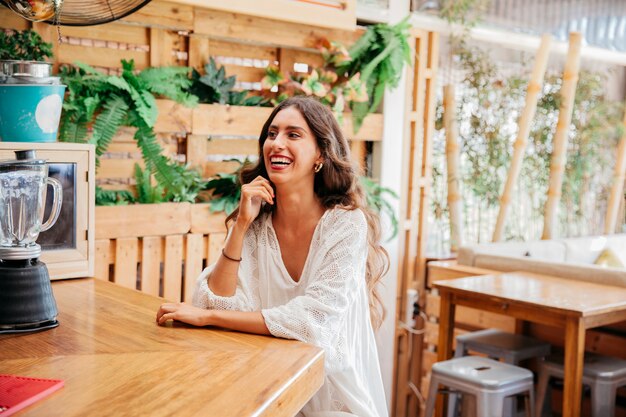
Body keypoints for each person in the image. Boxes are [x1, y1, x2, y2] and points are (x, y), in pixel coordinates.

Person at [156, 96, 389, 417]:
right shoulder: (258, 223)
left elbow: (312, 322)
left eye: (293, 135)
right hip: (267, 385)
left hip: (333, 399)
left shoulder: (345, 223)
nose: (277, 143)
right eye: (271, 134)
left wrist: (208, 318)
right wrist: (240, 225)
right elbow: (213, 300)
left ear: (320, 153)